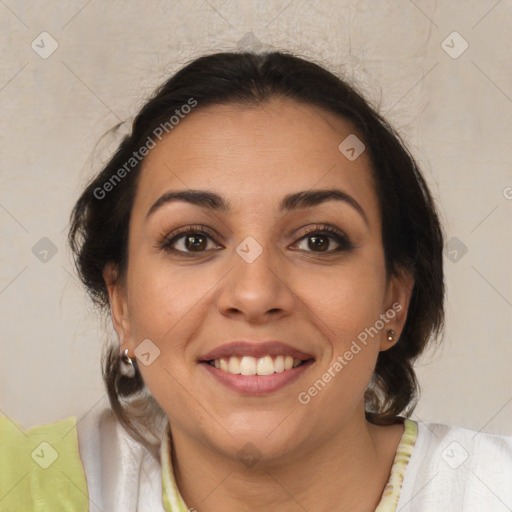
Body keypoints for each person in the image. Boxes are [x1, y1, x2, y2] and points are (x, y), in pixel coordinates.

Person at [1, 50, 511, 512]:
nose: (255, 294)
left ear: (395, 300)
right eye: (193, 241)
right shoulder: (28, 488)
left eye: (318, 241)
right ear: (123, 306)